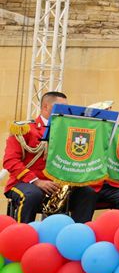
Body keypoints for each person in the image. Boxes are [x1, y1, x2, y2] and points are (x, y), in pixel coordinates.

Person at [3, 91, 97, 223]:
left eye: (67, 108)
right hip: (25, 183)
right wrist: (36, 181)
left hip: (56, 185)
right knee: (32, 195)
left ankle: (76, 232)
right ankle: (22, 232)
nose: (65, 111)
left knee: (88, 194)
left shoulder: (68, 131)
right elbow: (10, 161)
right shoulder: (24, 128)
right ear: (45, 107)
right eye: (60, 107)